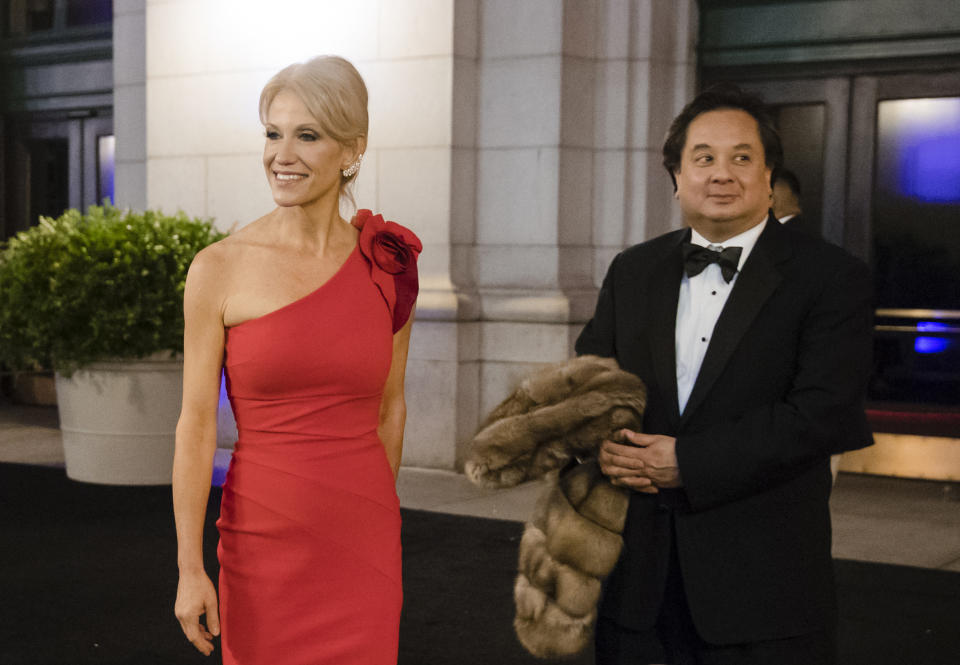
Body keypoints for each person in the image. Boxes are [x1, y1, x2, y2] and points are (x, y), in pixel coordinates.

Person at [575, 83, 873, 665]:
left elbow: (821, 414)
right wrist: (601, 444)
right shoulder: (633, 270)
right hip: (637, 585)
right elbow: (590, 382)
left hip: (764, 589)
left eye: (742, 158)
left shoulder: (831, 277)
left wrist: (688, 462)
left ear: (768, 177)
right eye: (703, 158)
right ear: (676, 177)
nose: (721, 174)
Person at [171, 56, 421, 665]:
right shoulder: (218, 267)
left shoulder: (388, 263)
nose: (282, 154)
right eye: (273, 133)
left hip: (362, 542)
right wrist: (189, 567)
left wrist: (373, 518)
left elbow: (390, 410)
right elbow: (197, 425)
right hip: (264, 541)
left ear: (352, 149)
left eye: (307, 135)